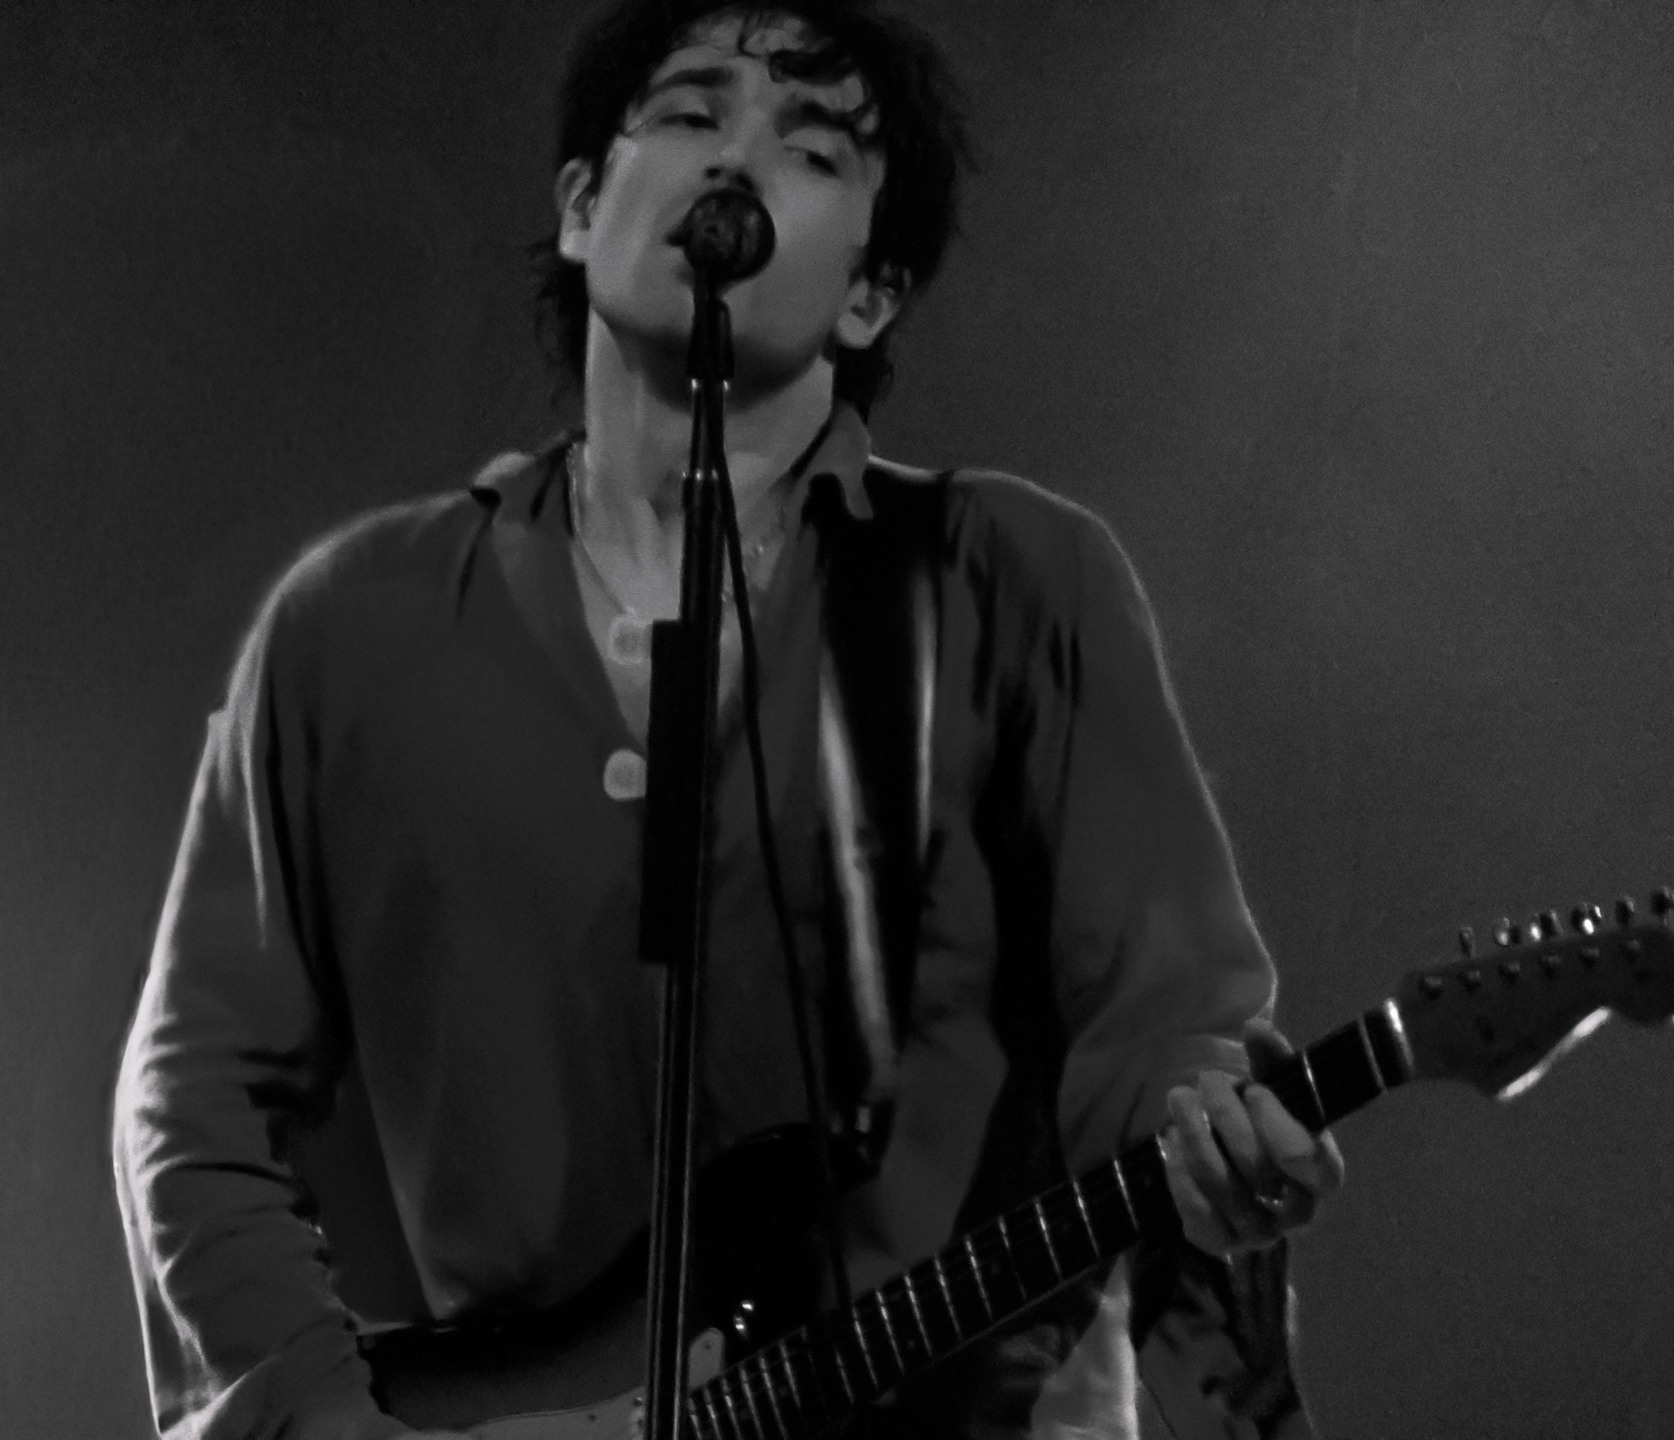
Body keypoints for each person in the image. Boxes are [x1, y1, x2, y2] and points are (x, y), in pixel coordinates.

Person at [111, 3, 1345, 1438]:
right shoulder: (357, 625)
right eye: (690, 112)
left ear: (869, 294)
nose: (735, 160)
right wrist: (315, 1419)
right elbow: (199, 1099)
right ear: (584, 207)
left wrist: (1213, 1140)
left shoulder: (1014, 581)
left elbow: (1166, 1024)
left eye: (811, 148)